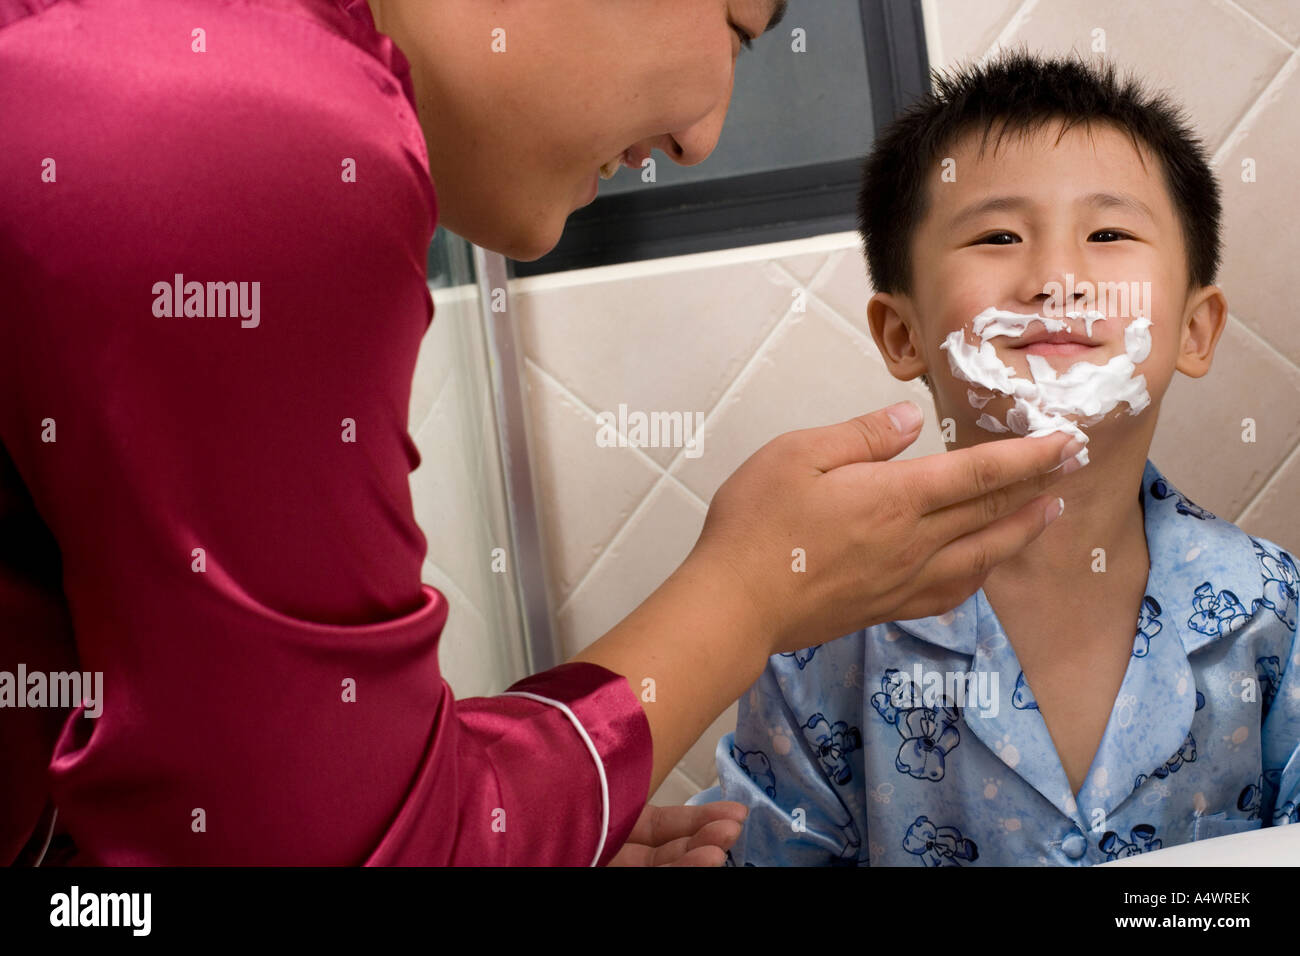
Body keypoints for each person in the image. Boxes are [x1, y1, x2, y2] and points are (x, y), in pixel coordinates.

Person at [0, 0, 1079, 867]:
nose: (702, 141)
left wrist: (508, 806)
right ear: (896, 328)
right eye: (740, 32)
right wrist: (751, 592)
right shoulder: (245, 133)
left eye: (1110, 232)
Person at [691, 51, 1300, 866]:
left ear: (1196, 330)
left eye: (1109, 233)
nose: (1055, 278)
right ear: (902, 335)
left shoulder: (1274, 612)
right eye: (998, 235)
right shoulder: (824, 632)